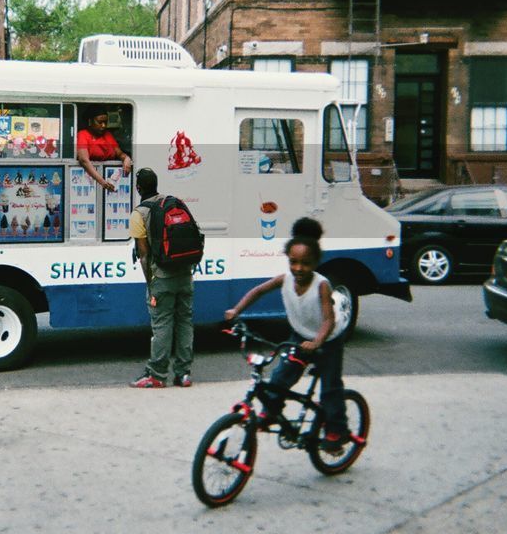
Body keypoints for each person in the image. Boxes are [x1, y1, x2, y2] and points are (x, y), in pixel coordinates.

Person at [223, 218, 349, 451]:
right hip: (300, 336)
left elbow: (329, 319)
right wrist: (236, 310)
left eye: (305, 263)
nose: (298, 268)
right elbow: (259, 290)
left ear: (316, 262)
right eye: (293, 262)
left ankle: (337, 431)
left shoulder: (322, 285)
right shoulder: (286, 279)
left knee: (330, 387)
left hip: (328, 340)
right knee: (280, 377)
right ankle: (271, 412)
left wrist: (317, 342)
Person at [129, 167, 194, 388]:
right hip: (185, 274)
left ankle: (157, 375)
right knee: (184, 321)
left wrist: (151, 285)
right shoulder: (172, 202)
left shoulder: (139, 214)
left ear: (138, 188)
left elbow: (144, 256)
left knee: (162, 324)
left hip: (162, 278)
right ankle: (184, 374)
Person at [76, 105, 132, 192]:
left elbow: (119, 153)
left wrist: (127, 158)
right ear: (90, 121)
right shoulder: (83, 135)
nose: (103, 125)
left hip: (110, 180)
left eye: (105, 122)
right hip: (90, 181)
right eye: (100, 122)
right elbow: (84, 160)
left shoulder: (108, 135)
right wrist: (102, 182)